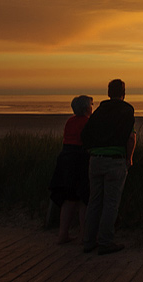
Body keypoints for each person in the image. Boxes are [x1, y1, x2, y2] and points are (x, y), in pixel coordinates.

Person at [81, 79, 136, 255]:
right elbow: (130, 138)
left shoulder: (98, 112)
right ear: (123, 93)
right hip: (115, 160)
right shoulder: (127, 111)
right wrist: (129, 157)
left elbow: (85, 134)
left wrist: (92, 150)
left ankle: (89, 241)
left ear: (108, 93)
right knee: (111, 203)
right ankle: (105, 241)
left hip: (96, 160)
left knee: (94, 201)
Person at [49, 95, 94, 244]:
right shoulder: (88, 122)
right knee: (83, 198)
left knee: (69, 198)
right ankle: (83, 235)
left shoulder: (70, 121)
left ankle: (63, 234)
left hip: (65, 159)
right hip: (80, 159)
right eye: (91, 105)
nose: (92, 107)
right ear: (87, 108)